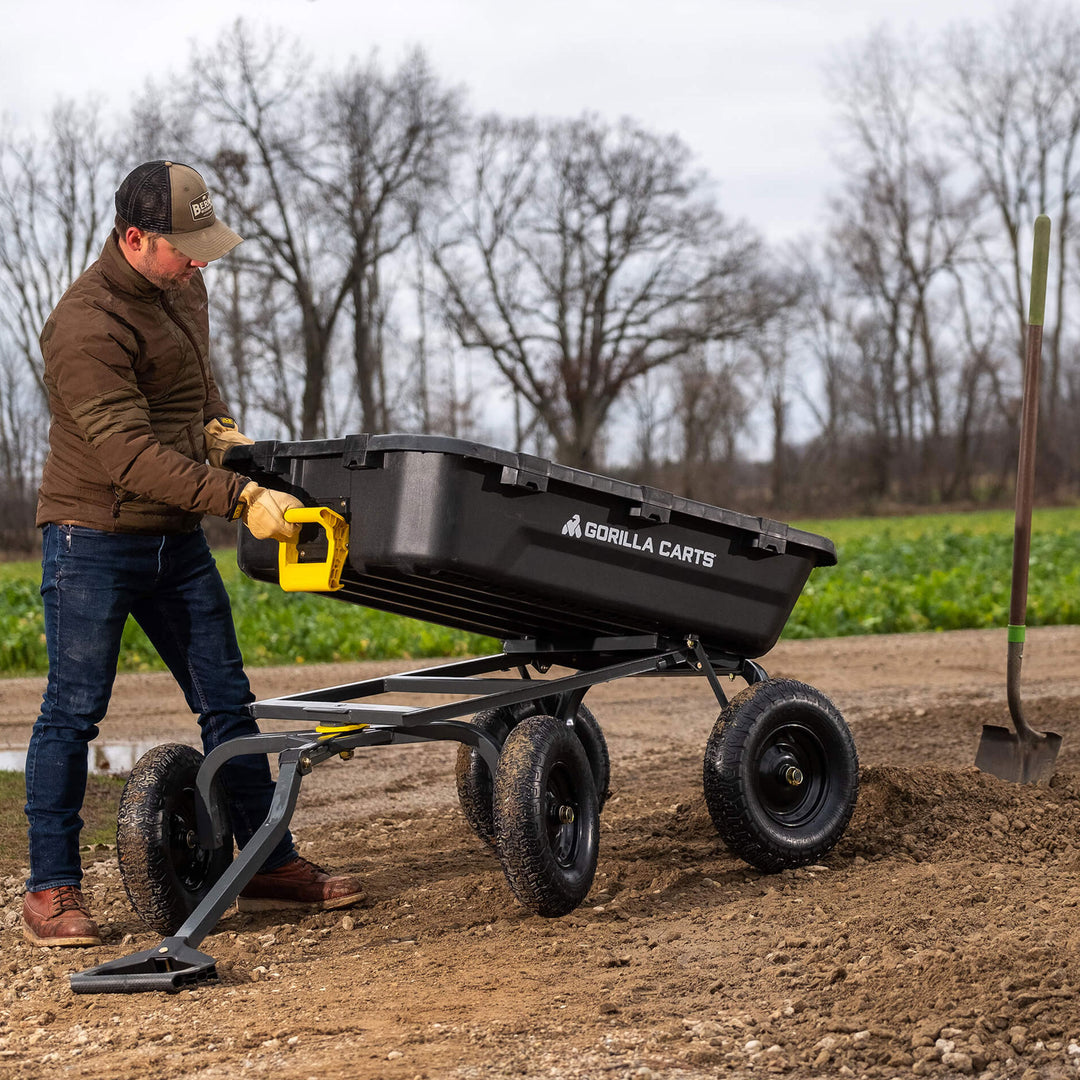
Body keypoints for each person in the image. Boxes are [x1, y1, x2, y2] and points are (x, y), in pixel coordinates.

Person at [23, 159, 363, 948]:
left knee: (226, 701)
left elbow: (194, 387)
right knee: (73, 713)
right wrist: (240, 498)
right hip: (94, 538)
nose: (199, 260)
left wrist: (223, 431)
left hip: (172, 539)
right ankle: (51, 890)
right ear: (134, 238)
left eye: (204, 245)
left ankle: (270, 863)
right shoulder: (84, 324)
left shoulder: (184, 286)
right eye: (185, 247)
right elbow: (129, 457)